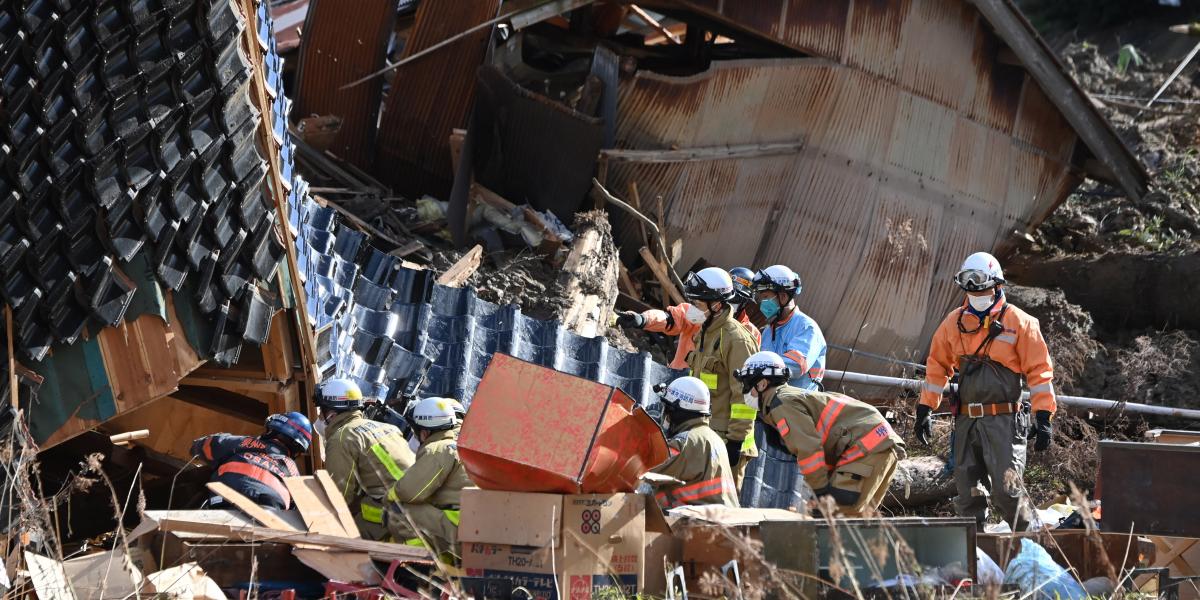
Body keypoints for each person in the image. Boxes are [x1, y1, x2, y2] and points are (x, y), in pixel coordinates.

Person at [915, 252, 1056, 531]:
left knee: (1008, 493)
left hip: (1004, 421)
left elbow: (1039, 373)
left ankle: (1030, 556)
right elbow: (936, 367)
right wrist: (925, 408)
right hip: (967, 421)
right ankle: (975, 561)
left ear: (997, 284)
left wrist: (1044, 417)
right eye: (969, 285)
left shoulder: (1021, 323)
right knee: (968, 495)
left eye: (980, 284)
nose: (975, 291)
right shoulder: (953, 324)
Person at [735, 351, 904, 516]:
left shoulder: (781, 404)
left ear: (762, 384)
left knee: (833, 513)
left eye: (747, 383)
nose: (745, 390)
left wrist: (820, 490)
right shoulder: (789, 398)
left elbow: (809, 449)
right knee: (855, 518)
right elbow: (828, 443)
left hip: (866, 446)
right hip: (878, 444)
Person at [316, 378, 416, 541]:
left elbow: (338, 497)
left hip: (396, 517)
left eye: (321, 412)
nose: (319, 417)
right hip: (422, 507)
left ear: (332, 414)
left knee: (340, 540)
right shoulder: (388, 428)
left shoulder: (341, 438)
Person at [615, 266, 761, 370]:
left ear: (745, 303)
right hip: (676, 382)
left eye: (735, 300)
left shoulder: (749, 334)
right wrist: (643, 319)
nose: (728, 304)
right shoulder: (699, 313)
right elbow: (669, 319)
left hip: (709, 402)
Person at [384, 397, 472, 556]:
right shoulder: (464, 444)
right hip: (474, 528)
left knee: (398, 510)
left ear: (424, 433)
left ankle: (419, 563)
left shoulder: (438, 449)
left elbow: (408, 492)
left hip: (460, 531)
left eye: (415, 431)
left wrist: (389, 495)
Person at [648, 376, 739, 509]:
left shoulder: (685, 442)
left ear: (677, 410)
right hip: (721, 521)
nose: (664, 415)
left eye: (667, 408)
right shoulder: (714, 438)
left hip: (699, 524)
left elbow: (646, 467)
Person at [191, 412, 312, 510]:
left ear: (271, 430)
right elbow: (298, 509)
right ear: (298, 449)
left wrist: (196, 448)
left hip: (225, 505)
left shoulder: (246, 443)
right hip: (271, 517)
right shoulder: (293, 472)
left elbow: (208, 445)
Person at [752, 266, 826, 390]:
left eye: (765, 297)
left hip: (798, 404)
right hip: (772, 401)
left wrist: (757, 367)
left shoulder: (807, 327)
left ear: (783, 297)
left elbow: (796, 365)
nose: (762, 303)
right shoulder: (768, 330)